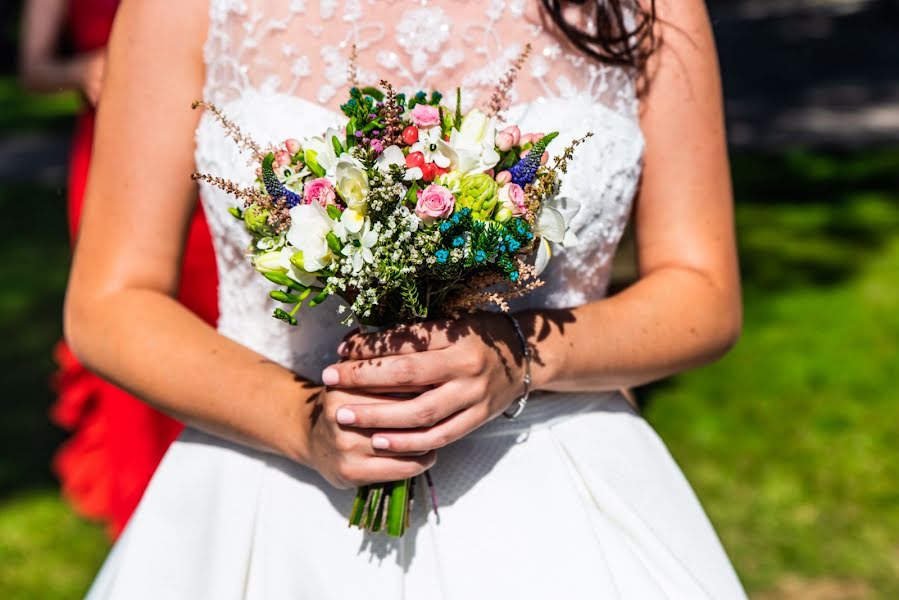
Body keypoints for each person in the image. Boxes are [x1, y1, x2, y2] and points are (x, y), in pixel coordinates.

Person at [67, 0, 748, 597]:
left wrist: (518, 357)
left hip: (552, 487)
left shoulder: (641, 7)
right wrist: (300, 423)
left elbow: (701, 292)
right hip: (272, 502)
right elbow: (111, 301)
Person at [19, 0, 219, 538]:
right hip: (116, 152)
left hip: (207, 155)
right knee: (131, 316)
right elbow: (32, 67)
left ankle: (215, 485)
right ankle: (139, 501)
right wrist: (84, 70)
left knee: (213, 319)